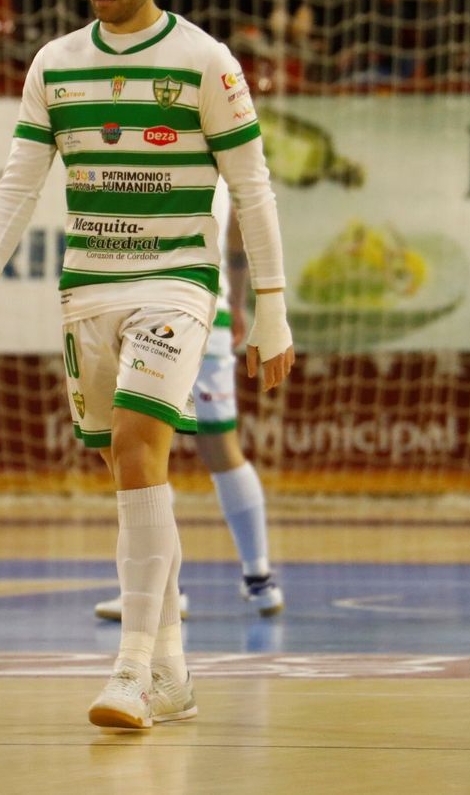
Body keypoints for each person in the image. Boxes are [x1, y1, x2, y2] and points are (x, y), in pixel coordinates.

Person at [0, 0, 295, 730]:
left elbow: (251, 187)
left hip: (176, 283)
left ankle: (132, 671)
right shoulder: (54, 64)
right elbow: (19, 180)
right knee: (130, 475)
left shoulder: (205, 61)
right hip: (88, 288)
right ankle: (174, 672)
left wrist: (272, 311)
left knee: (143, 446)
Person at [93, 189, 284, 623]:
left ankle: (160, 591)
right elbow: (240, 225)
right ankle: (260, 578)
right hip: (205, 308)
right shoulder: (222, 139)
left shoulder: (135, 143)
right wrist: (235, 301)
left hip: (147, 311)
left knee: (137, 446)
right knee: (221, 448)